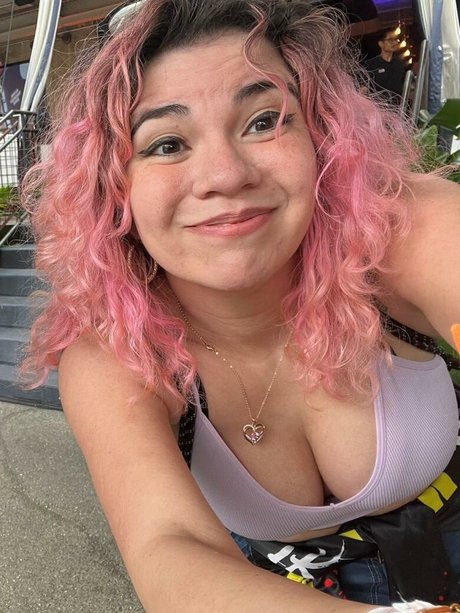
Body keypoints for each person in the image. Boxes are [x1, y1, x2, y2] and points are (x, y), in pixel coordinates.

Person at [22, 0, 460, 611]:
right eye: (167, 144)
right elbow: (169, 547)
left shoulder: (401, 232)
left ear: (322, 137)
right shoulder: (116, 354)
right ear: (113, 189)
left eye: (263, 121)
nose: (225, 175)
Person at [364, 27, 407, 105]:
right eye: (390, 40)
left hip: (398, 108)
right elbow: (364, 89)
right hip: (378, 108)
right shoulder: (371, 64)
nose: (394, 43)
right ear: (381, 43)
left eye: (396, 39)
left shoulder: (400, 64)